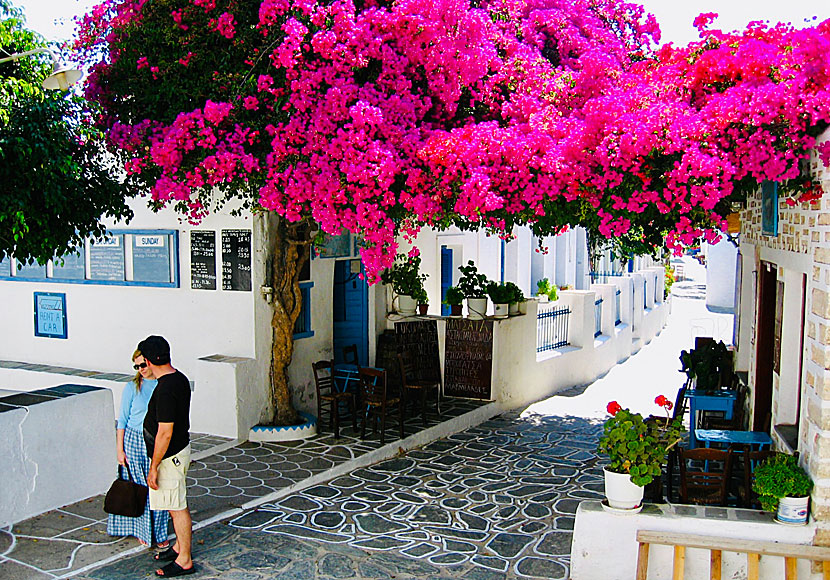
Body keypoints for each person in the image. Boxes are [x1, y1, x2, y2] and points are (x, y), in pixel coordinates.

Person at [138, 335, 195, 578]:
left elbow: (165, 432)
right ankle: (179, 546)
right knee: (174, 504)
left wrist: (154, 466)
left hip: (169, 457)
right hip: (178, 451)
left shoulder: (165, 389)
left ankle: (185, 559)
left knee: (177, 507)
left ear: (149, 361)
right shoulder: (178, 378)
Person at [106, 349, 170, 548]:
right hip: (134, 439)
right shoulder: (133, 387)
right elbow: (123, 420)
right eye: (136, 366)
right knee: (137, 487)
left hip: (154, 439)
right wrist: (119, 449)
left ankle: (158, 533)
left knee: (157, 485)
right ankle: (141, 530)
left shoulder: (163, 384)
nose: (141, 369)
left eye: (143, 364)